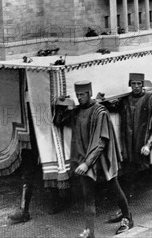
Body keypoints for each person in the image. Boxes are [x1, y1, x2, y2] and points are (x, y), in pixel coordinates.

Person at [53, 81, 133, 238]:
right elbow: (58, 122)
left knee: (114, 188)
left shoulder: (100, 112)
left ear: (89, 93)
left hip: (102, 161)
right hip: (85, 160)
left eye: (82, 94)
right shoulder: (77, 111)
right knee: (87, 196)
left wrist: (87, 163)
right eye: (78, 95)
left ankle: (128, 217)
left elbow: (101, 142)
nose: (80, 97)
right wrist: (59, 105)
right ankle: (90, 232)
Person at [109, 73, 152, 214]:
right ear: (130, 84)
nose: (136, 87)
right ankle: (125, 208)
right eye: (134, 84)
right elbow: (114, 107)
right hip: (133, 145)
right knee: (129, 175)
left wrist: (148, 145)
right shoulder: (127, 100)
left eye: (139, 84)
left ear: (143, 84)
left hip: (148, 144)